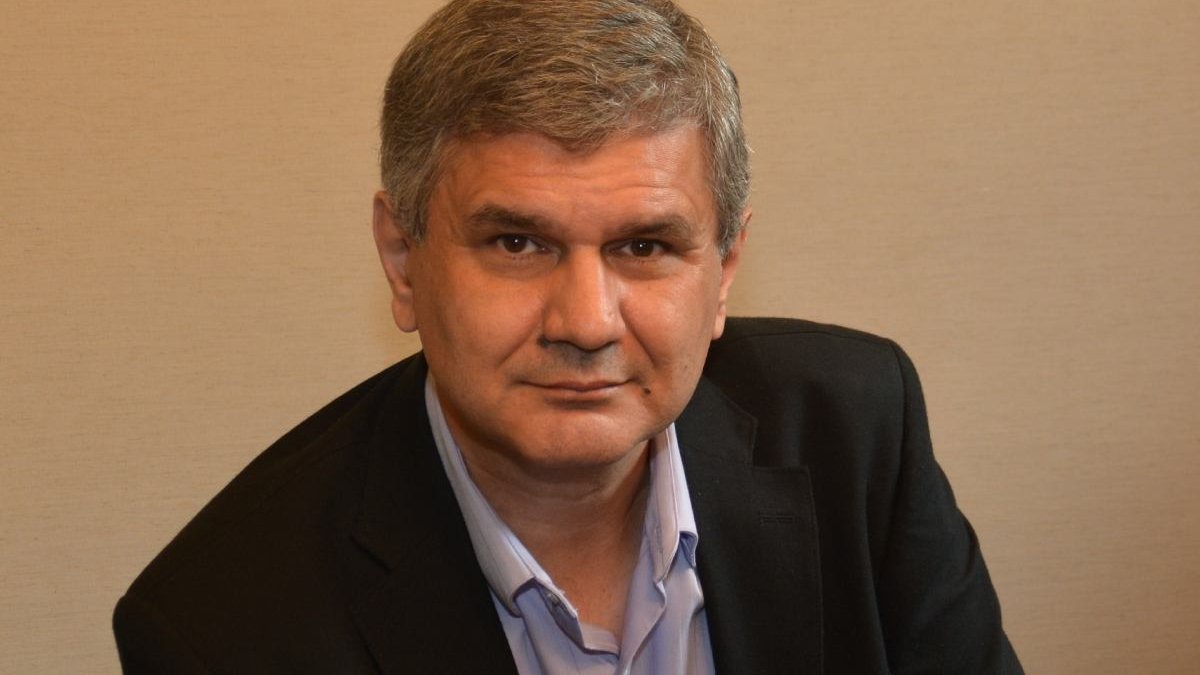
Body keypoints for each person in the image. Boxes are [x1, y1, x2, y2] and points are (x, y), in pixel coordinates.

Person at [113, 0, 1023, 672]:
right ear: (403, 260)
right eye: (518, 243)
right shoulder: (220, 628)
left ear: (724, 270)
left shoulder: (858, 434)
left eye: (645, 246)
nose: (586, 323)